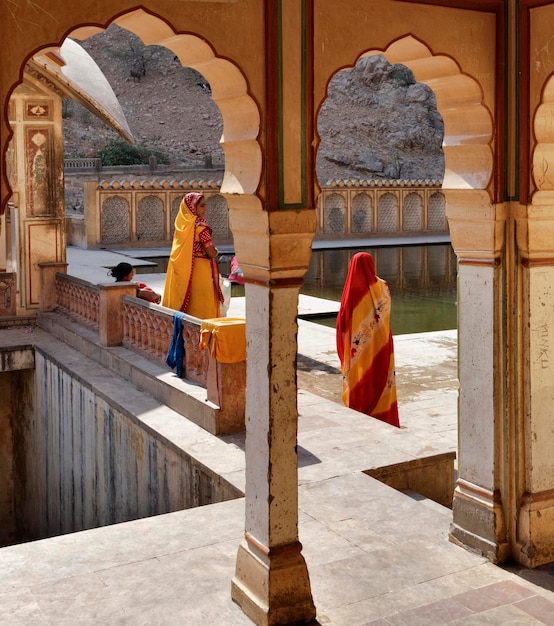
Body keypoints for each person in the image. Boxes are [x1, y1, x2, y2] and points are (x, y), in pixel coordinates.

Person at [336, 251, 400, 427]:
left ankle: (360, 412)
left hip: (359, 350)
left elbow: (342, 321)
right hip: (382, 344)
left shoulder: (352, 291)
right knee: (380, 377)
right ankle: (384, 416)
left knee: (360, 377)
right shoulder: (383, 286)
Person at [162, 192, 223, 318]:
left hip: (186, 270)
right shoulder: (201, 226)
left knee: (190, 303)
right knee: (202, 304)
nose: (205, 209)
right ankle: (204, 334)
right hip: (201, 270)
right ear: (192, 207)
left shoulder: (182, 224)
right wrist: (216, 252)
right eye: (202, 206)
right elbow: (210, 251)